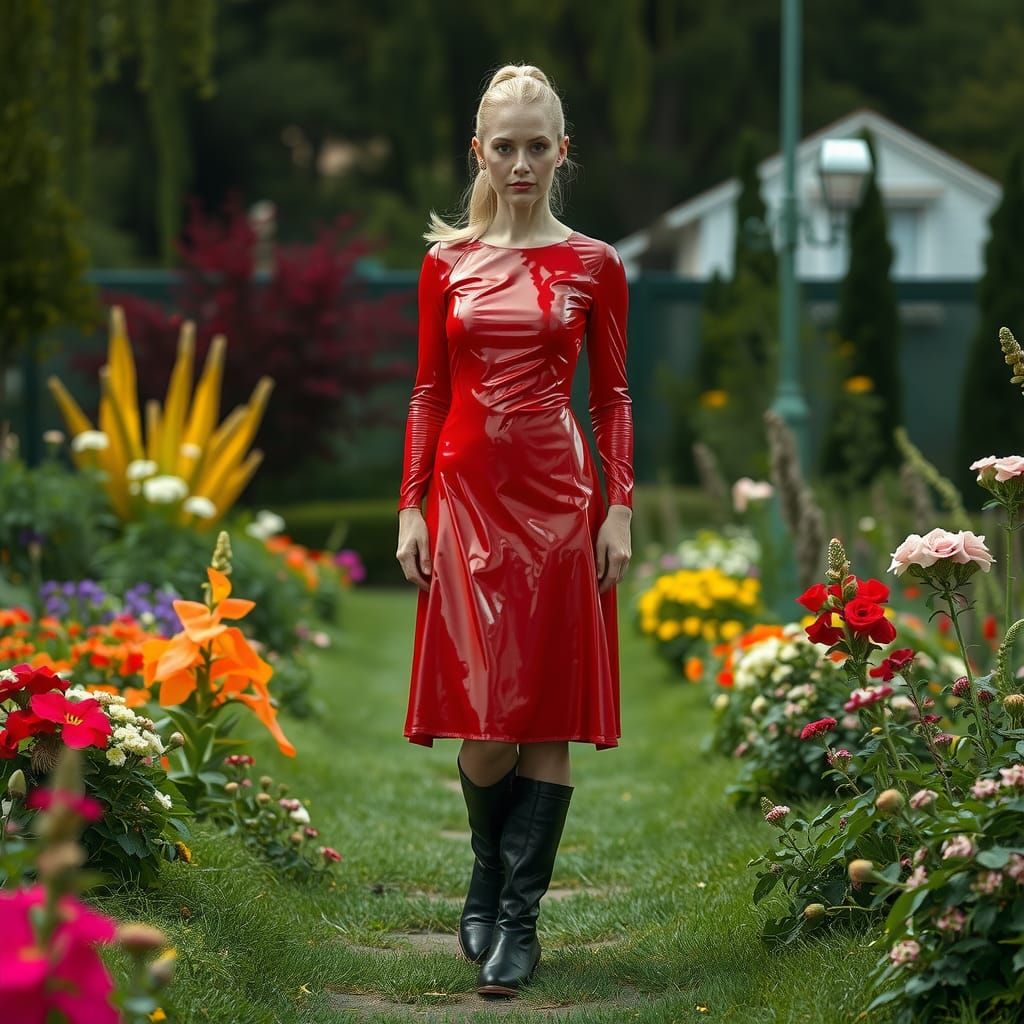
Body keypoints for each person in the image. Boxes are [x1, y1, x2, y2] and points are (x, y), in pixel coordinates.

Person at [395, 62, 634, 998]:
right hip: (464, 505)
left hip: (559, 505)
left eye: (540, 145)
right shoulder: (444, 265)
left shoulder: (595, 264)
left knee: (545, 719)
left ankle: (519, 927)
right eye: (507, 146)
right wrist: (409, 501)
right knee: (486, 721)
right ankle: (486, 872)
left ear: (562, 151)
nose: (523, 161)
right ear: (479, 153)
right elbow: (427, 390)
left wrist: (619, 506)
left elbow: (612, 395)